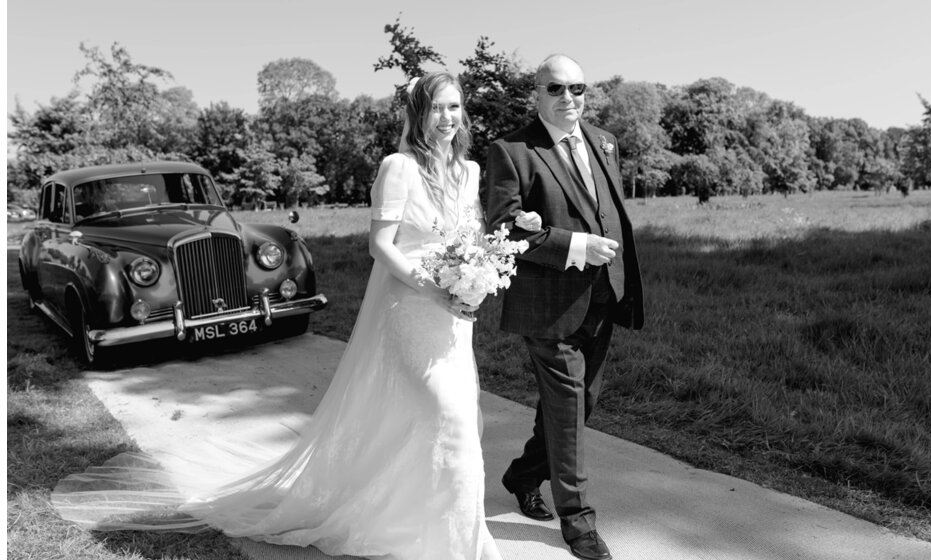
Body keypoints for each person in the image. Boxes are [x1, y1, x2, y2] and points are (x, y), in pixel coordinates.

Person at [52, 72, 503, 560]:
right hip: (412, 312)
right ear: (417, 114)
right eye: (436, 108)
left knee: (445, 418)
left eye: (455, 107)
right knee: (449, 417)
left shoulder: (470, 171)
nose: (447, 118)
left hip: (454, 318)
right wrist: (434, 287)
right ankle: (462, 548)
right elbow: (381, 246)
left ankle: (417, 519)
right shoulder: (399, 167)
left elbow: (469, 238)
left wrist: (478, 275)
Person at [485, 54, 645, 560]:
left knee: (579, 406)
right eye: (556, 89)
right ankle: (577, 522)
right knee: (570, 409)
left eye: (577, 88)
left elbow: (607, 209)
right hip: (549, 307)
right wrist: (574, 245)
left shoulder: (604, 141)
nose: (568, 98)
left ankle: (523, 475)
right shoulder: (511, 150)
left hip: (603, 298)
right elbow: (504, 230)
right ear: (537, 94)